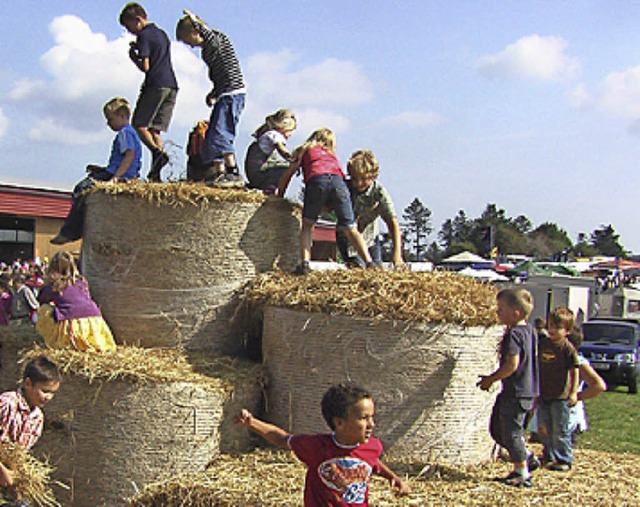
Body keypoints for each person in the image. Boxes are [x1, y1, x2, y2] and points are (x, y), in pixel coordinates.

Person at [236, 383, 410, 506]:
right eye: (364, 418)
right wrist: (252, 423)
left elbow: (373, 463)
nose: (372, 424)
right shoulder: (317, 447)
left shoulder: (373, 447)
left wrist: (394, 478)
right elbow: (282, 438)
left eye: (372, 417)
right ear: (339, 423)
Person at [277, 128, 374, 275]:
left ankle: (305, 263)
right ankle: (369, 262)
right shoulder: (331, 156)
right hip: (338, 183)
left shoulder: (304, 150)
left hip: (317, 180)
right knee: (350, 227)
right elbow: (337, 185)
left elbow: (288, 175)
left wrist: (279, 197)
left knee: (308, 225)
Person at [50, 97, 142, 245]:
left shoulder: (125, 133)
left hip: (120, 175)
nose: (108, 124)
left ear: (123, 116)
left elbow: (129, 155)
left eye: (110, 119)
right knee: (91, 180)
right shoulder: (131, 133)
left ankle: (71, 231)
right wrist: (102, 169)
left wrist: (115, 177)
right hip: (123, 173)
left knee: (82, 188)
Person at [477, 288, 539, 488]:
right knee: (498, 430)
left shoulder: (514, 334)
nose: (498, 313)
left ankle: (522, 473)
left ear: (516, 313)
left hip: (517, 391)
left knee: (511, 432)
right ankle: (527, 456)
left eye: (501, 309)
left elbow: (512, 365)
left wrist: (491, 379)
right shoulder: (531, 331)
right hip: (527, 391)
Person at [176, 9, 245, 188]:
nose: (190, 46)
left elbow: (208, 35)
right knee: (212, 135)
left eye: (187, 40)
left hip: (232, 94)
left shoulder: (217, 39)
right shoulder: (207, 52)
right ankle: (218, 172)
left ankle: (232, 171)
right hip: (223, 93)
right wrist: (213, 92)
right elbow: (219, 73)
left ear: (195, 32)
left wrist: (194, 20)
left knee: (222, 133)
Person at [119, 3, 178, 182]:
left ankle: (158, 153)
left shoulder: (144, 35)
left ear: (138, 20)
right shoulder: (161, 34)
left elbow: (146, 67)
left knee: (139, 124)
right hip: (172, 85)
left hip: (155, 84)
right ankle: (156, 174)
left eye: (130, 28)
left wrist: (134, 57)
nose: (131, 33)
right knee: (155, 130)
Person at [0, 356, 61, 506]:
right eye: (45, 391)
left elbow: (20, 455)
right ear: (28, 383)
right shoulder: (7, 404)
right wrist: (2, 471)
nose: (48, 397)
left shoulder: (37, 418)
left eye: (52, 393)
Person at [35, 252, 116, 352]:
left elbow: (41, 299)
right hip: (94, 320)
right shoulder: (81, 282)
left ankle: (59, 339)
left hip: (74, 324)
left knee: (44, 309)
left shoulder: (55, 285)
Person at [336, 150, 403, 268]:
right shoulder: (345, 189)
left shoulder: (379, 193)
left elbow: (392, 223)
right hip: (348, 241)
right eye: (354, 179)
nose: (358, 183)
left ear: (373, 176)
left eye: (363, 178)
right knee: (359, 269)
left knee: (377, 270)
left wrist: (397, 255)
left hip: (371, 238)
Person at [537, 307, 580, 471]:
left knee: (559, 429)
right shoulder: (543, 344)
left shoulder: (567, 349)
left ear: (567, 330)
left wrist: (573, 392)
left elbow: (574, 370)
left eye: (557, 327)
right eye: (550, 326)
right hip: (543, 392)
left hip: (560, 396)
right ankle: (548, 455)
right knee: (544, 427)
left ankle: (564, 459)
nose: (552, 330)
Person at [244, 109, 297, 191]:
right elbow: (282, 150)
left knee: (279, 164)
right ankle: (270, 189)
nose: (290, 135)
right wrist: (293, 160)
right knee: (286, 168)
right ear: (283, 127)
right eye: (290, 131)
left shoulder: (267, 134)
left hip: (254, 173)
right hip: (259, 173)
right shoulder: (275, 135)